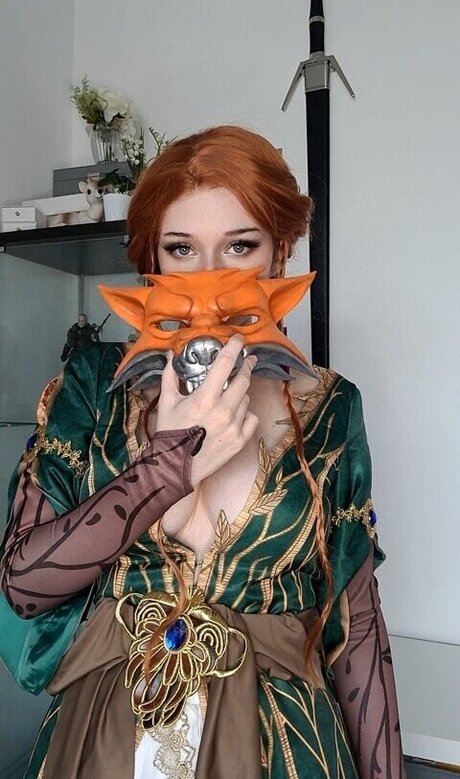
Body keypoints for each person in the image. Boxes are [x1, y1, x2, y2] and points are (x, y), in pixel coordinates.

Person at [0, 125, 406, 778]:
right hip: (105, 739)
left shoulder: (331, 407)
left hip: (284, 744)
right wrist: (169, 467)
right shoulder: (92, 388)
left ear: (279, 254)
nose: (209, 274)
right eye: (181, 248)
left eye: (240, 245)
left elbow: (357, 627)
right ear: (151, 262)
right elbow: (23, 583)